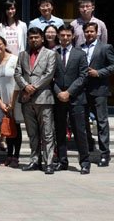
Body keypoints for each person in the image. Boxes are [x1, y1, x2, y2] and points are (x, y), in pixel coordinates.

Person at [14, 27, 58, 174]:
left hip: (44, 98)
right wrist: (26, 87)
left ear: (42, 38)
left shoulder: (50, 54)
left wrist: (33, 87)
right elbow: (17, 73)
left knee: (47, 132)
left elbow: (49, 74)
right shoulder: (22, 55)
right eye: (31, 37)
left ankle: (49, 162)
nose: (34, 40)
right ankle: (34, 161)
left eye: (36, 37)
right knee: (32, 133)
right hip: (26, 99)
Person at [53, 25, 90, 174]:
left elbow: (83, 76)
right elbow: (49, 77)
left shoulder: (80, 54)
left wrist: (69, 92)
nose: (65, 38)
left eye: (68, 35)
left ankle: (85, 162)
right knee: (60, 131)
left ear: (73, 36)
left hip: (76, 98)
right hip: (58, 99)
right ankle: (62, 161)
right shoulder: (52, 54)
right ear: (58, 35)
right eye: (62, 35)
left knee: (80, 131)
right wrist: (58, 92)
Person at [81, 22, 114, 168]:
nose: (89, 34)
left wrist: (98, 73)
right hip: (83, 91)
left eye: (91, 32)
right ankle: (88, 146)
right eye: (87, 31)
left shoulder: (105, 47)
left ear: (97, 33)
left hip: (100, 90)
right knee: (83, 121)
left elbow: (113, 66)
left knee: (101, 122)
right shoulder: (80, 48)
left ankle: (104, 154)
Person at [0, 36, 23, 167]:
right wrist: (0, 102)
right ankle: (9, 155)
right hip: (2, 101)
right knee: (7, 128)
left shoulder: (14, 60)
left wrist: (12, 103)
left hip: (14, 99)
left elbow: (18, 81)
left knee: (16, 127)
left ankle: (16, 156)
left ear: (4, 44)